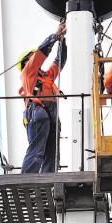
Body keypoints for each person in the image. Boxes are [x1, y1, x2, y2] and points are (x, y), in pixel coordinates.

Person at [18, 23, 67, 173]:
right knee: (37, 150)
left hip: (50, 114)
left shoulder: (46, 77)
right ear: (27, 61)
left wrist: (62, 41)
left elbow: (60, 61)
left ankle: (48, 181)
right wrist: (55, 36)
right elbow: (41, 53)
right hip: (37, 111)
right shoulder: (28, 73)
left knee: (52, 154)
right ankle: (26, 180)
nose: (36, 60)